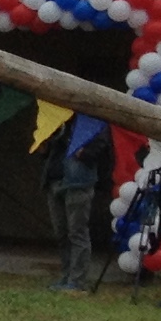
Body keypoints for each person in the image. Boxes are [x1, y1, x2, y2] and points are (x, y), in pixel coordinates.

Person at [45, 116, 110, 291]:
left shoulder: (93, 120)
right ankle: (66, 276)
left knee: (77, 232)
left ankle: (77, 281)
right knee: (61, 233)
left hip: (79, 182)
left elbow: (102, 146)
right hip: (55, 180)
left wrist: (83, 152)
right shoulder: (55, 115)